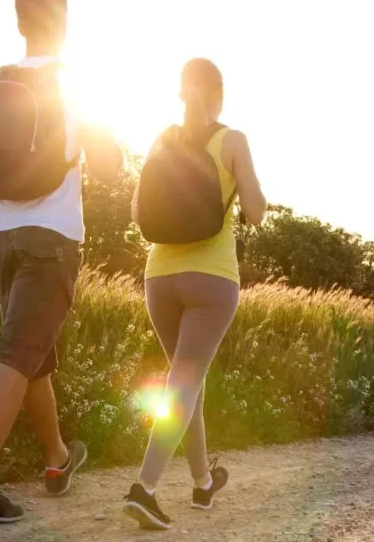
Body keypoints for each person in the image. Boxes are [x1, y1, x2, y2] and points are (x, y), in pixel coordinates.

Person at [0, 0, 123, 523]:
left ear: (20, 23)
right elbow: (111, 170)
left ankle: (56, 459)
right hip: (51, 238)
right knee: (18, 356)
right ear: (64, 26)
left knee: (32, 357)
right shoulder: (75, 89)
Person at [124, 58, 267, 529]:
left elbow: (137, 212)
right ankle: (144, 489)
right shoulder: (233, 140)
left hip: (159, 278)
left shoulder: (162, 139)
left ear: (182, 93)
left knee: (188, 383)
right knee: (183, 384)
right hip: (211, 279)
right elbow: (256, 212)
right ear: (219, 94)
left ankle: (203, 482)